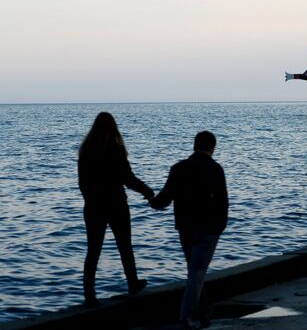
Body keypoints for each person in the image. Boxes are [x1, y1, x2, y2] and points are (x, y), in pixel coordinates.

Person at [150, 131, 229, 329]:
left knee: (194, 271)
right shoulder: (215, 169)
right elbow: (223, 202)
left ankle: (204, 311)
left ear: (194, 145)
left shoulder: (178, 168)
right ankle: (185, 317)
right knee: (197, 272)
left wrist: (152, 202)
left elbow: (165, 198)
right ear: (213, 148)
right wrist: (220, 227)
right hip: (209, 229)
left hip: (185, 227)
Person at [78, 112, 153, 307]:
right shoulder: (116, 150)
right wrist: (148, 192)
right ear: (113, 128)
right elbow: (128, 178)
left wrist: (91, 200)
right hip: (116, 204)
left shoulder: (85, 150)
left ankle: (89, 294)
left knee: (93, 250)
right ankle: (133, 283)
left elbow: (82, 183)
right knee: (125, 246)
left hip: (94, 207)